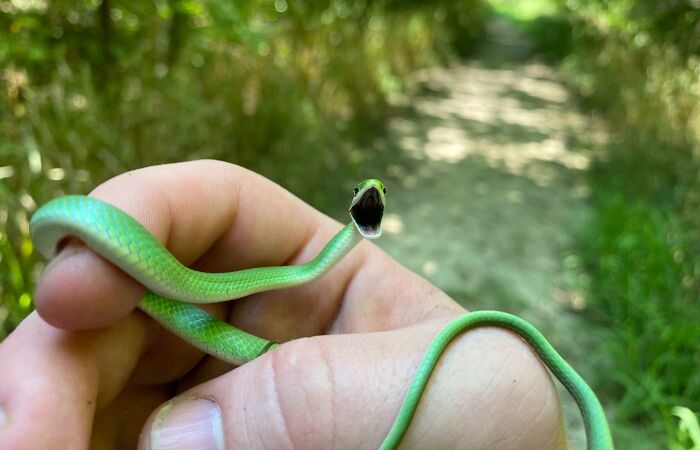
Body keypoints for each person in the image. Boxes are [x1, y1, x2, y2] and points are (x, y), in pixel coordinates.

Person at [0, 160, 567, 449]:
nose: (371, 195)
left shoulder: (321, 263)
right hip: (178, 297)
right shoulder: (299, 270)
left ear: (374, 214)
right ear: (353, 205)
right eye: (364, 193)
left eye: (379, 197)